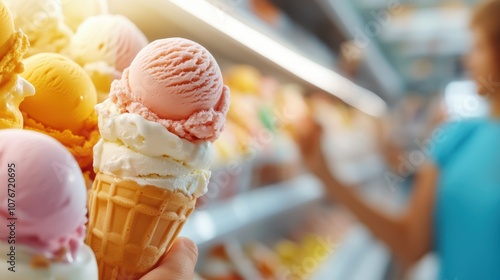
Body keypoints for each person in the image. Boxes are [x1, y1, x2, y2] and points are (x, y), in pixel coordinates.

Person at [298, 0, 500, 279]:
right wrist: (326, 175)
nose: (467, 59)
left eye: (478, 47)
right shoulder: (458, 137)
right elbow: (411, 243)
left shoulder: (458, 136)